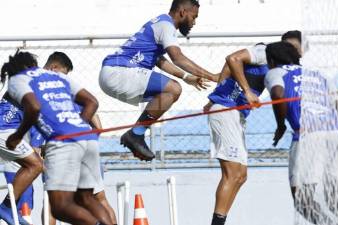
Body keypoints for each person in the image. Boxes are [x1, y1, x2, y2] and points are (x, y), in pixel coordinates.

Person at [1, 50, 113, 225]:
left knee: (57, 204)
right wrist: (77, 129)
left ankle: (7, 207)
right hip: (86, 139)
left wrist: (18, 135)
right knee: (91, 198)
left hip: (62, 144)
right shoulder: (60, 79)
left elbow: (34, 108)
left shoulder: (22, 81)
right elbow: (93, 104)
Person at [203, 32, 302, 225]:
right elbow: (232, 59)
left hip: (236, 114)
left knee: (241, 176)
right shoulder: (265, 52)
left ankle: (220, 221)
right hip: (226, 109)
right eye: (294, 47)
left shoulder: (283, 68)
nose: (296, 52)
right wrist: (241, 91)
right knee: (232, 174)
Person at [99, 0, 217, 161]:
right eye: (193, 17)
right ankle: (135, 134)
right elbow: (178, 58)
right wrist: (212, 76)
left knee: (168, 92)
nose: (194, 22)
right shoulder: (166, 26)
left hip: (112, 74)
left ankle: (136, 134)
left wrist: (186, 77)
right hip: (119, 72)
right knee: (173, 89)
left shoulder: (160, 23)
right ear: (182, 12)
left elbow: (159, 60)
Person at [266, 42, 338, 225]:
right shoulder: (319, 74)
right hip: (335, 133)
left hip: (308, 135)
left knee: (302, 199)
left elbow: (278, 95)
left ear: (271, 60)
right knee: (334, 196)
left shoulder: (276, 72)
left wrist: (281, 126)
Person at [41, 51, 117, 225]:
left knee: (52, 201)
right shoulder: (74, 92)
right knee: (99, 198)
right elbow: (98, 127)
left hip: (61, 150)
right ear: (55, 68)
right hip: (86, 144)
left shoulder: (42, 91)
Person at [0, 92, 43, 225]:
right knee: (35, 166)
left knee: (32, 166)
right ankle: (6, 208)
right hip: (8, 141)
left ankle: (7, 208)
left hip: (13, 149)